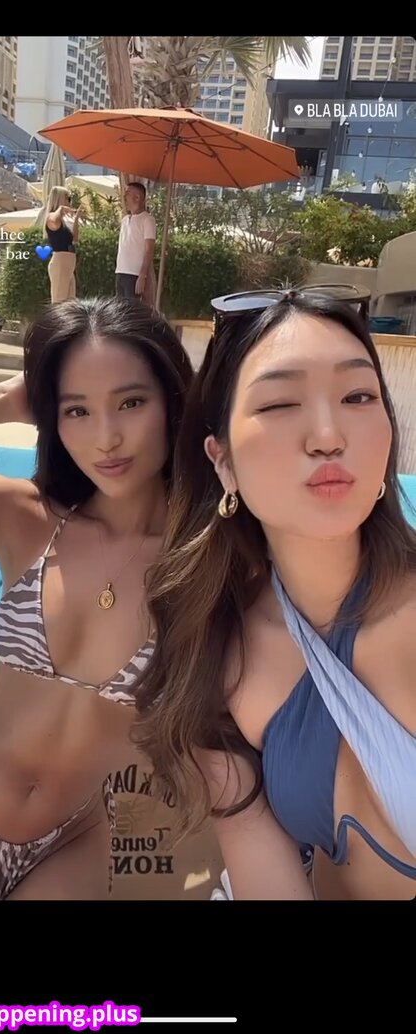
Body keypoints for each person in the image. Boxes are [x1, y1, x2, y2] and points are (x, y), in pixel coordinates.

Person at [133, 288, 416, 901]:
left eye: (358, 397)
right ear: (222, 461)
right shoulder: (215, 650)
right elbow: (264, 873)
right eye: (281, 403)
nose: (328, 436)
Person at [0, 296, 193, 900]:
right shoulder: (20, 514)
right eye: (76, 410)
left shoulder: (205, 559)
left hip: (77, 840)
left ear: (173, 400)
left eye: (131, 402)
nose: (106, 438)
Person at [115, 183, 156, 301]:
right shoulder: (125, 220)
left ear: (137, 197)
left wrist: (142, 275)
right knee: (119, 308)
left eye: (128, 193)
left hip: (134, 273)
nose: (124, 197)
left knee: (132, 308)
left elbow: (149, 250)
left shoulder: (147, 220)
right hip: (121, 271)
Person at [44, 186, 83, 302]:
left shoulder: (62, 222)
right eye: (67, 198)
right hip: (61, 261)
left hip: (68, 261)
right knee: (59, 301)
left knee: (70, 302)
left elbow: (74, 239)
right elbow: (53, 220)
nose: (69, 201)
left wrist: (76, 218)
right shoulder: (52, 217)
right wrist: (61, 209)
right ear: (60, 199)